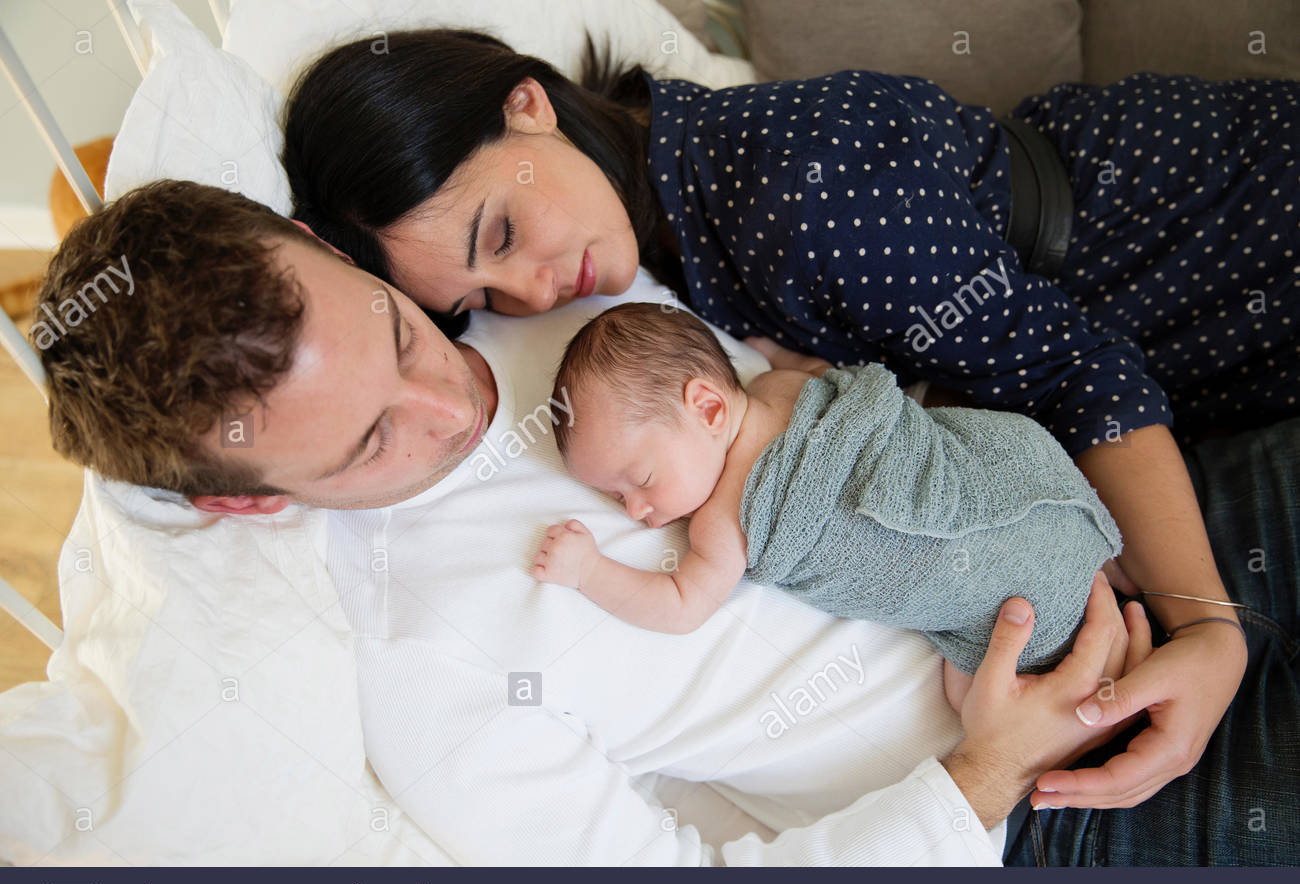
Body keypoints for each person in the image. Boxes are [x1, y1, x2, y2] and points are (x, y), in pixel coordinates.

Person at [33, 179, 1297, 863]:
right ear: (253, 497)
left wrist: (1203, 609)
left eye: (395, 332)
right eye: (372, 439)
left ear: (324, 244)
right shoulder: (423, 659)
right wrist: (979, 778)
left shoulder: (540, 288)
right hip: (1070, 804)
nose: (449, 398)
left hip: (1136, 526)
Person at [281, 28, 1299, 821]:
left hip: (1219, 234)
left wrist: (1208, 628)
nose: (534, 288)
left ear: (528, 105)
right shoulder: (658, 230)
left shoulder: (786, 192)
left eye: (500, 232)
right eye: (485, 299)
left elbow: (1079, 369)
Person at [532, 302, 1120, 710]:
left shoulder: (722, 524)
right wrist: (765, 350)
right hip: (1026, 464)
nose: (634, 511)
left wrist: (590, 571)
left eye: (639, 480)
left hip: (998, 583)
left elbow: (679, 607)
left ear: (709, 407)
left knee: (967, 701)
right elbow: (819, 372)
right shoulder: (774, 388)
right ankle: (1098, 561)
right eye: (615, 498)